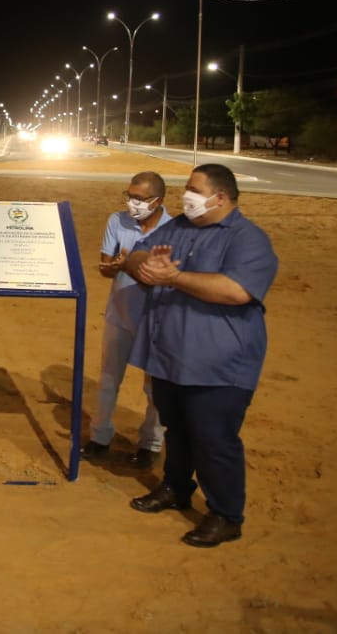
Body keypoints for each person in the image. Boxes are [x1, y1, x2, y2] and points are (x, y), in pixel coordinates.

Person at [124, 163, 279, 548]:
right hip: (170, 355)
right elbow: (134, 256)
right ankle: (176, 487)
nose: (185, 196)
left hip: (217, 363)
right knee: (177, 431)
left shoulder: (247, 239)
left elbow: (236, 290)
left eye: (194, 189)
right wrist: (145, 267)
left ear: (221, 197)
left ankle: (226, 514)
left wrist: (173, 277)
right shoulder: (177, 228)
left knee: (214, 439)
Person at [81, 171, 172, 468]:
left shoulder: (174, 230)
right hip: (120, 312)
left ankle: (150, 444)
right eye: (130, 196)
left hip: (158, 319)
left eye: (140, 199)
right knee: (108, 379)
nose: (133, 204)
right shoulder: (117, 221)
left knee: (154, 387)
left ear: (158, 201)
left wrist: (133, 265)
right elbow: (104, 267)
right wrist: (118, 266)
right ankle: (99, 437)